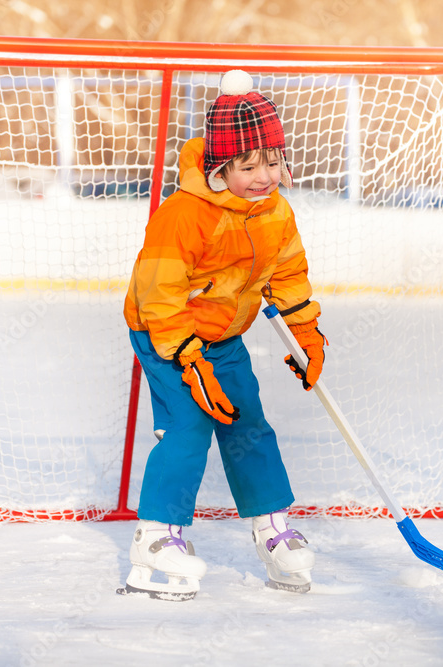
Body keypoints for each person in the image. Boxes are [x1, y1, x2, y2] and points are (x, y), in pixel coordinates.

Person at [120, 70, 326, 601]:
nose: (265, 176)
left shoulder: (275, 211)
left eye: (273, 162)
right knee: (190, 424)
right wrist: (188, 359)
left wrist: (307, 332)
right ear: (220, 165)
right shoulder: (185, 214)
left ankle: (273, 529)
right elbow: (157, 291)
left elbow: (288, 272)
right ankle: (156, 537)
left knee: (248, 425)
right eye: (249, 166)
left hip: (225, 336)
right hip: (167, 332)